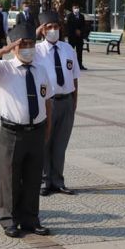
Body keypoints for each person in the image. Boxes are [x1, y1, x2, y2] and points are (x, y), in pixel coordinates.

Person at [0, 22, 53, 238]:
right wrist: (3, 51)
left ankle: (30, 218)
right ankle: (9, 219)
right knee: (10, 176)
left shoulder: (41, 69)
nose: (28, 48)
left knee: (33, 177)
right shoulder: (5, 68)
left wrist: (47, 128)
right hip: (13, 132)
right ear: (14, 47)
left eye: (31, 43)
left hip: (36, 131)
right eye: (23, 44)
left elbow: (47, 100)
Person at [35, 12, 80, 197]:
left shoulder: (68, 48)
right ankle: (45, 181)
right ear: (43, 30)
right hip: (48, 102)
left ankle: (58, 180)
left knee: (61, 144)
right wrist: (34, 33)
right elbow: (17, 44)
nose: (53, 30)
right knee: (46, 143)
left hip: (66, 101)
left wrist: (74, 101)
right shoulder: (36, 51)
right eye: (49, 27)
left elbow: (74, 77)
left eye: (56, 26)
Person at [66, 4, 89, 70]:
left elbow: (83, 25)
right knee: (70, 51)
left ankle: (80, 65)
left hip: (79, 37)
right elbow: (69, 25)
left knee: (79, 52)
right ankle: (70, 65)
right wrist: (75, 30)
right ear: (72, 9)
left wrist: (80, 31)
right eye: (75, 8)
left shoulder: (81, 16)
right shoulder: (70, 16)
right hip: (72, 36)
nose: (76, 9)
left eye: (77, 7)